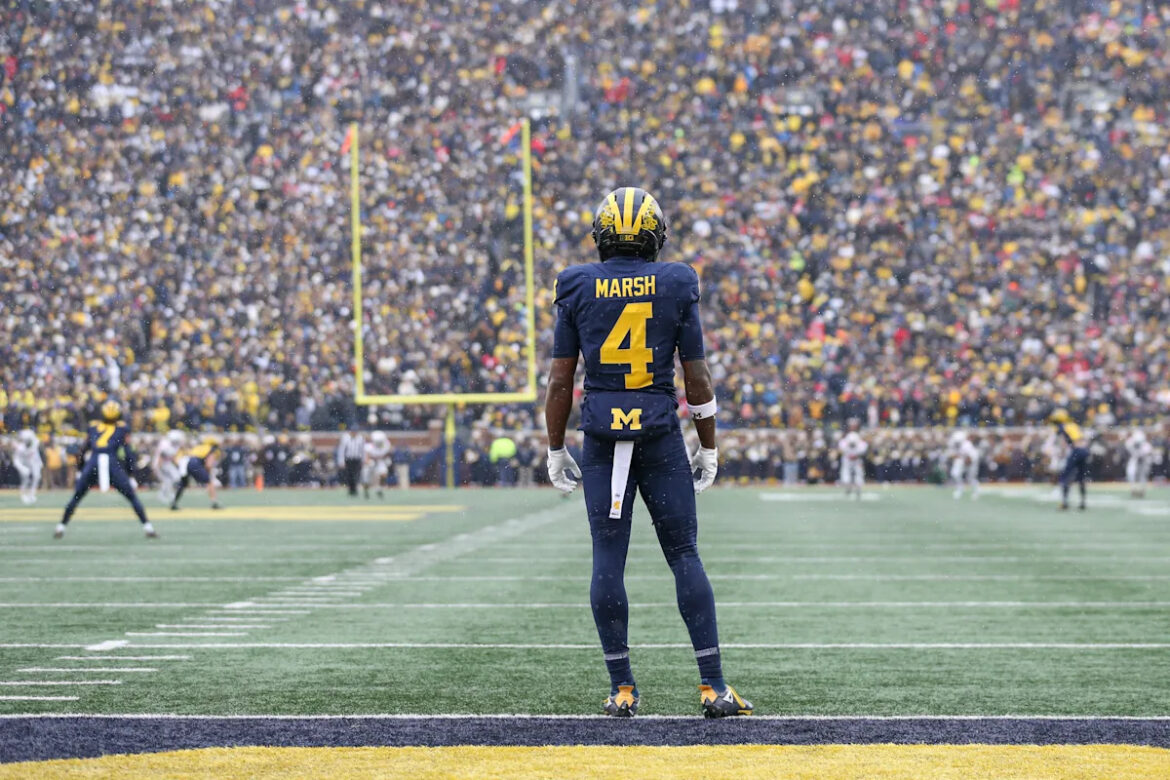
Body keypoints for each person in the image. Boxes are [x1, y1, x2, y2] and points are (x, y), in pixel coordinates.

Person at [544, 187, 752, 719]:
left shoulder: (576, 283)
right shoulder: (676, 280)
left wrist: (554, 447)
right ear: (655, 236)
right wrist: (708, 445)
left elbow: (561, 380)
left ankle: (623, 689)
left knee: (608, 558)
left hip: (602, 435)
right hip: (659, 433)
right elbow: (696, 375)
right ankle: (713, 687)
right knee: (684, 554)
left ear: (602, 235)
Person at [56, 401, 157, 539]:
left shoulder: (93, 427)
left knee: (77, 496)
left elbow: (83, 450)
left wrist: (81, 469)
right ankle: (148, 527)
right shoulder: (122, 429)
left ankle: (61, 526)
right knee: (132, 497)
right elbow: (128, 453)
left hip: (93, 463)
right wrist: (131, 473)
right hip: (112, 463)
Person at [171, 435, 223, 511]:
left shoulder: (199, 447)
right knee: (209, 482)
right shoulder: (212, 449)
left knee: (183, 483)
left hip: (185, 462)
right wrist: (207, 474)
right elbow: (208, 465)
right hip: (194, 463)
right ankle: (214, 502)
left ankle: (174, 503)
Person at [1051, 409, 1089, 511]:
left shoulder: (1061, 427)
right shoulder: (1073, 425)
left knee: (1065, 477)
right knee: (1081, 478)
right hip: (1084, 451)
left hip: (1076, 451)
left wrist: (1061, 453)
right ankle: (1083, 502)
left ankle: (1064, 503)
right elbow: (1082, 438)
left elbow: (1063, 442)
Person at [152, 430, 186, 505]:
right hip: (161, 464)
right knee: (172, 478)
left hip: (166, 463)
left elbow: (172, 457)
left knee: (170, 480)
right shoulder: (166, 444)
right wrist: (158, 467)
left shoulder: (174, 444)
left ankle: (164, 495)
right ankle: (165, 495)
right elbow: (161, 456)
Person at [837, 421, 868, 499]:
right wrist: (849, 454)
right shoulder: (845, 441)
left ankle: (858, 489)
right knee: (845, 474)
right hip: (847, 460)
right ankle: (848, 487)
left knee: (859, 474)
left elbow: (863, 448)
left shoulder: (860, 441)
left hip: (857, 460)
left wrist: (856, 455)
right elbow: (841, 447)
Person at [948, 430, 981, 500]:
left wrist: (963, 461)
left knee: (971, 478)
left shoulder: (967, 445)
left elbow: (970, 458)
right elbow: (954, 455)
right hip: (963, 459)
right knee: (955, 474)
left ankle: (976, 491)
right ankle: (960, 488)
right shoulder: (953, 443)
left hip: (971, 461)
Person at [12, 429, 43, 505]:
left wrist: (39, 463)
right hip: (24, 463)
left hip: (33, 462)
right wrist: (22, 468)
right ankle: (23, 494)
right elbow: (16, 460)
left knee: (37, 477)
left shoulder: (35, 443)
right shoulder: (20, 448)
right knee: (25, 479)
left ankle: (32, 494)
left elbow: (36, 454)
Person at [362, 430, 392, 498]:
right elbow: (367, 457)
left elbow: (387, 453)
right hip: (371, 461)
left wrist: (387, 459)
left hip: (380, 461)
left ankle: (379, 488)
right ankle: (366, 491)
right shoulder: (368, 446)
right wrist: (368, 462)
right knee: (366, 479)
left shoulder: (386, 444)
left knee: (384, 474)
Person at [1125, 428, 1153, 498]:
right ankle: (1133, 488)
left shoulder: (1146, 445)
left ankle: (1142, 489)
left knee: (1143, 475)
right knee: (1131, 473)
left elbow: (1147, 453)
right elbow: (1128, 446)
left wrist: (1141, 454)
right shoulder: (1130, 443)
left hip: (1143, 461)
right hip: (1134, 460)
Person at [336, 429, 365, 497]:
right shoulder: (345, 438)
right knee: (349, 475)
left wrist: (363, 460)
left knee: (356, 475)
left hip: (357, 459)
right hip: (348, 459)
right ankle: (351, 489)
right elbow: (342, 450)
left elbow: (363, 450)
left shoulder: (360, 438)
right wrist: (341, 461)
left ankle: (355, 489)